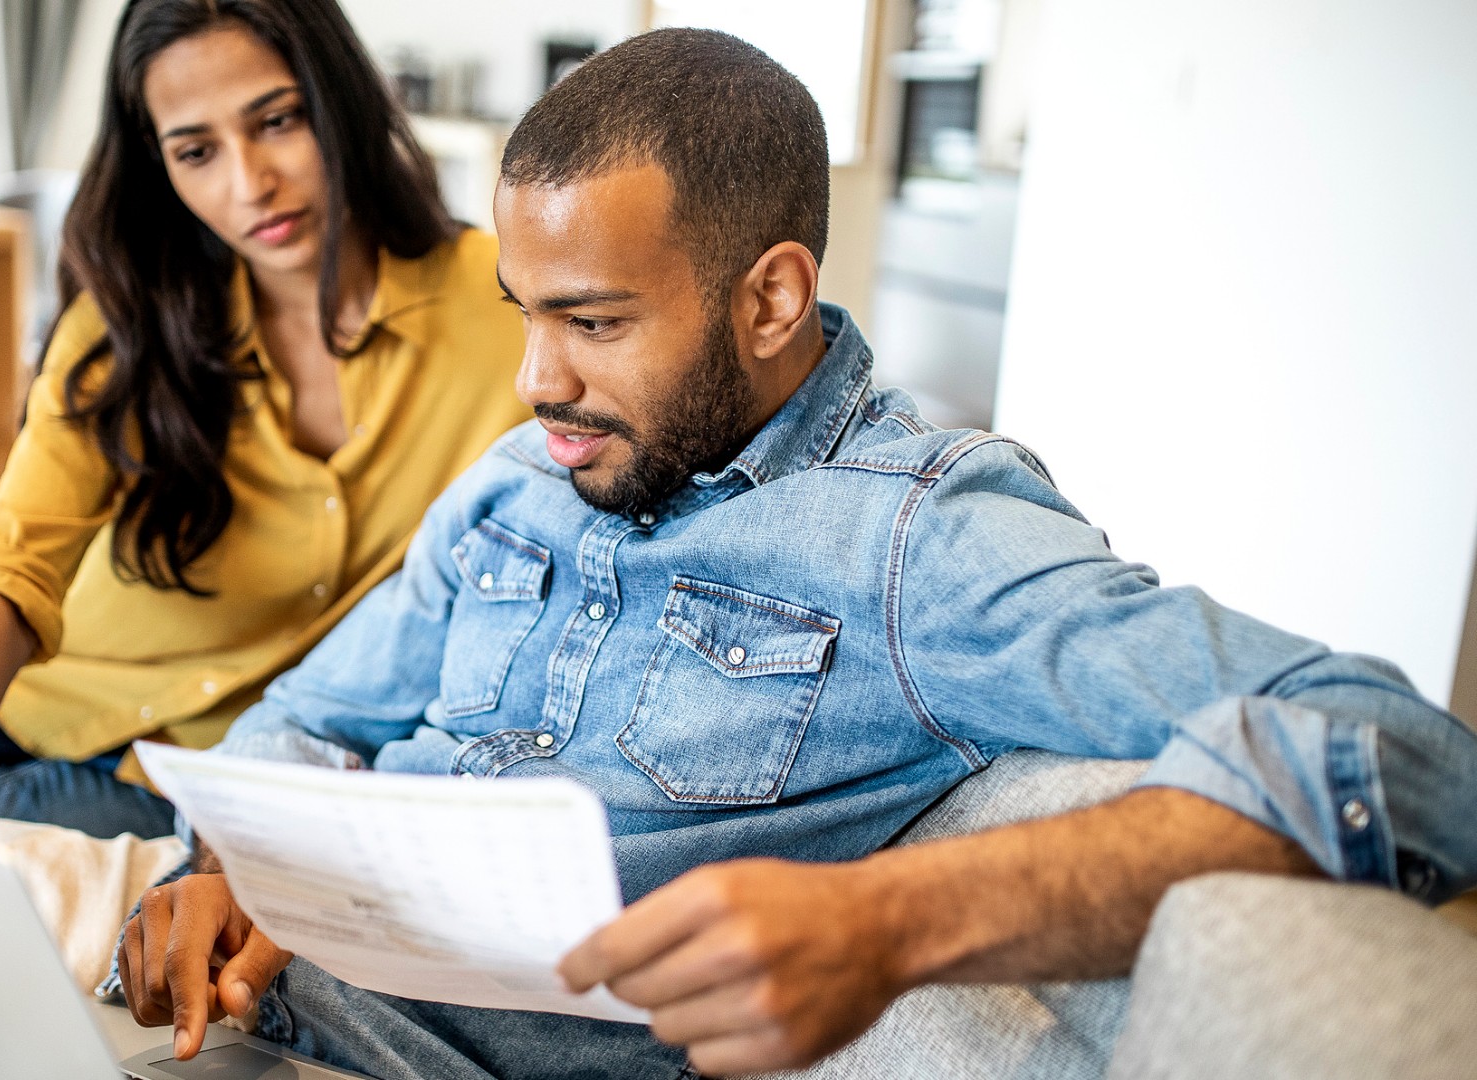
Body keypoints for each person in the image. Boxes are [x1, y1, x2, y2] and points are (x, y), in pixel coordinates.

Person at [110, 27, 1477, 1080]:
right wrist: (220, 871)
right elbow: (305, 718)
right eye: (526, 315)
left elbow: (1401, 748)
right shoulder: (524, 481)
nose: (532, 381)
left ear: (769, 296)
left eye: (591, 323)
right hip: (267, 1006)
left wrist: (892, 921)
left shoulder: (918, 535)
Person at [0, 0, 531, 839]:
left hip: (190, 773)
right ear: (161, 167)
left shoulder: (508, 305)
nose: (249, 183)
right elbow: (9, 565)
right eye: (196, 151)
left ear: (340, 99)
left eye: (278, 121)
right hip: (21, 684)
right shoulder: (129, 323)